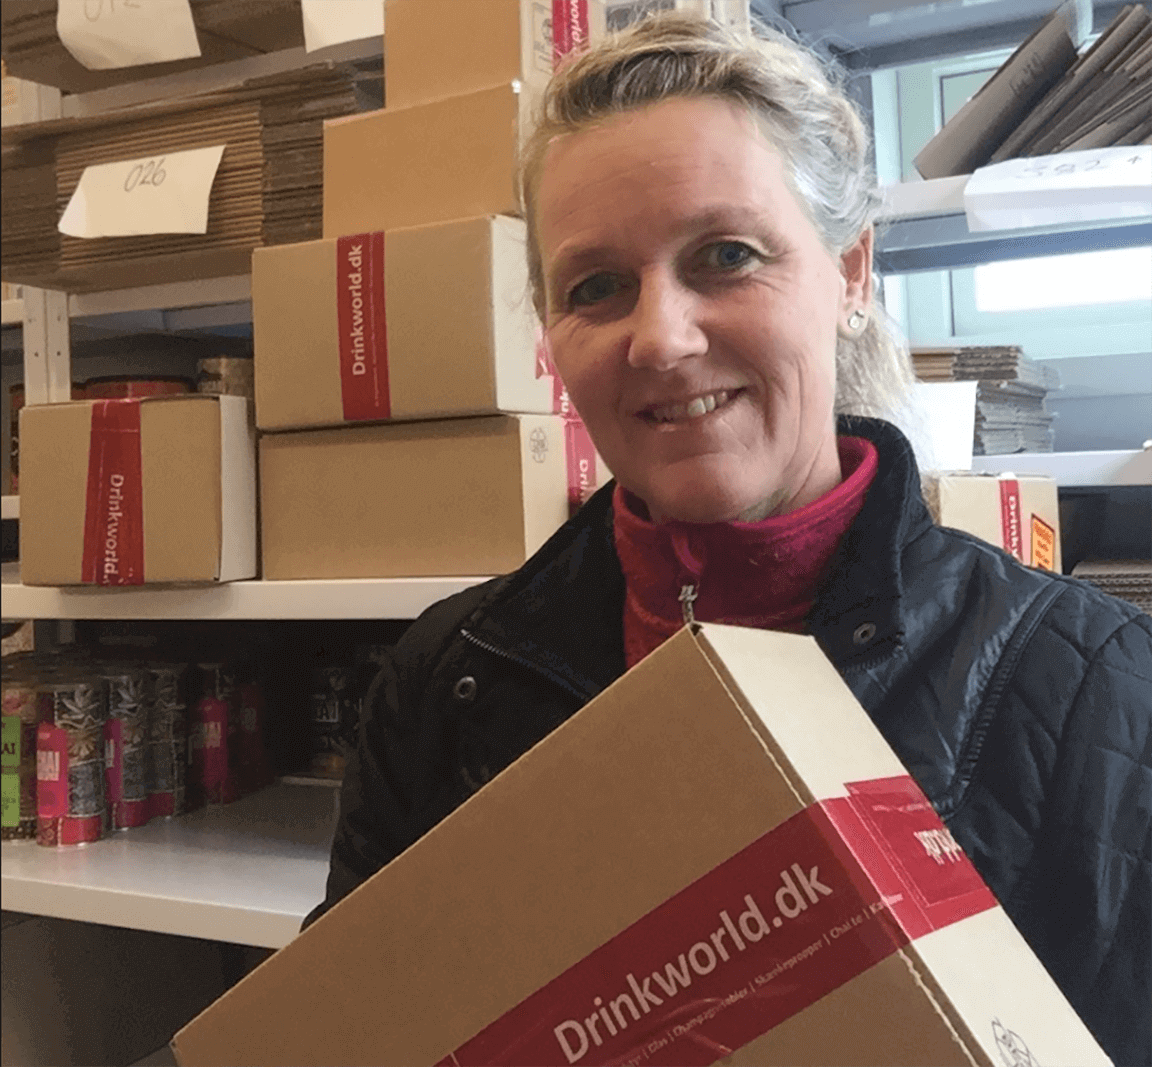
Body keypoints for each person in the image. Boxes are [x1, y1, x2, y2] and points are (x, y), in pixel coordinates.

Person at [305, 15, 1151, 1065]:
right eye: (596, 286)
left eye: (726, 256)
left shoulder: (1091, 687)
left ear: (851, 275)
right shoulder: (446, 679)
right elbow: (346, 1026)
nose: (661, 338)